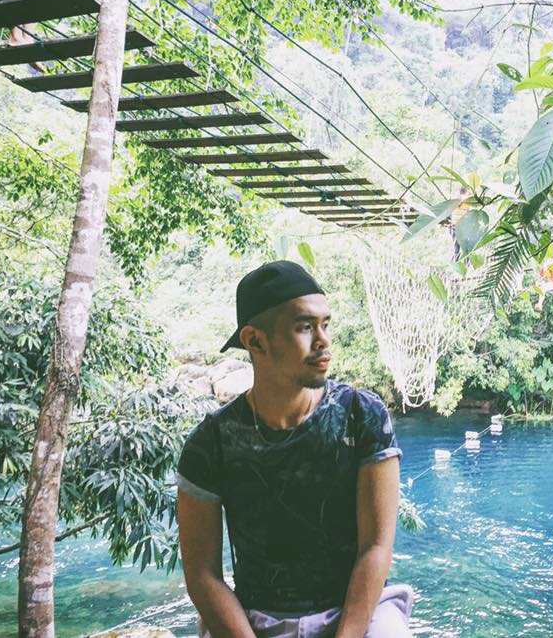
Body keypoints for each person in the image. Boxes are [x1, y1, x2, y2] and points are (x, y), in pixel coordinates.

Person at [176, 261, 413, 638]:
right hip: (254, 617)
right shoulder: (211, 443)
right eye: (305, 327)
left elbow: (375, 547)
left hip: (359, 611)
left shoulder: (361, 415)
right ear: (255, 341)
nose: (324, 341)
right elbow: (203, 575)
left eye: (325, 325)